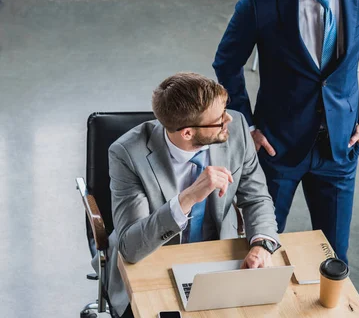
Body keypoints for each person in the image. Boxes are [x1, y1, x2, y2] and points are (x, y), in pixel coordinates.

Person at [213, 0, 359, 264]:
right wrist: (247, 127)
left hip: (340, 149)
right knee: (257, 250)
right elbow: (227, 63)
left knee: (337, 258)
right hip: (277, 149)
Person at [95, 73, 280, 318]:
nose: (229, 120)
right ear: (187, 133)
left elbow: (257, 197)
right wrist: (188, 198)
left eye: (225, 110)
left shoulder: (237, 129)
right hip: (153, 258)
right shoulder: (127, 154)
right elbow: (131, 246)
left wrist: (262, 243)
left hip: (219, 255)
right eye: (219, 119)